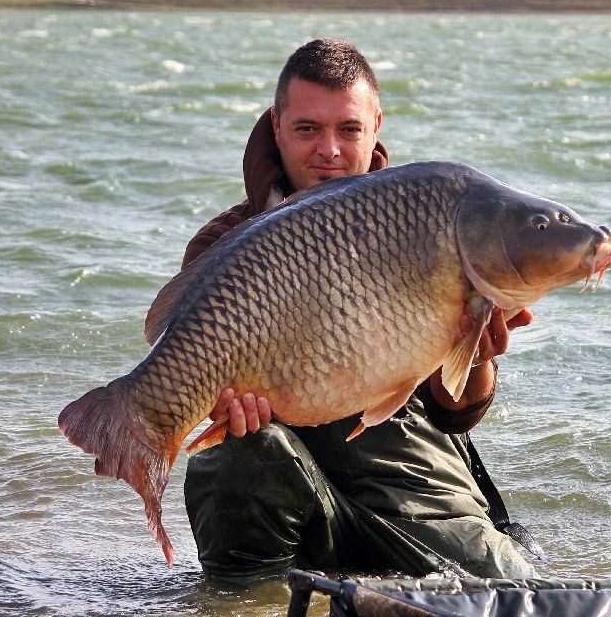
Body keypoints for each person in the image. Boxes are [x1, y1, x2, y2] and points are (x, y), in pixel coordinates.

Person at [178, 38, 539, 583]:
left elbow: (456, 413)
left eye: (348, 130)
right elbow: (202, 387)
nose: (329, 150)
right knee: (235, 458)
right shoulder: (223, 247)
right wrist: (227, 411)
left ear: (375, 128)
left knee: (511, 592)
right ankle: (256, 600)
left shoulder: (426, 222)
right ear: (276, 127)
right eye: (307, 129)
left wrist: (479, 354)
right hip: (290, 484)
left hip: (411, 483)